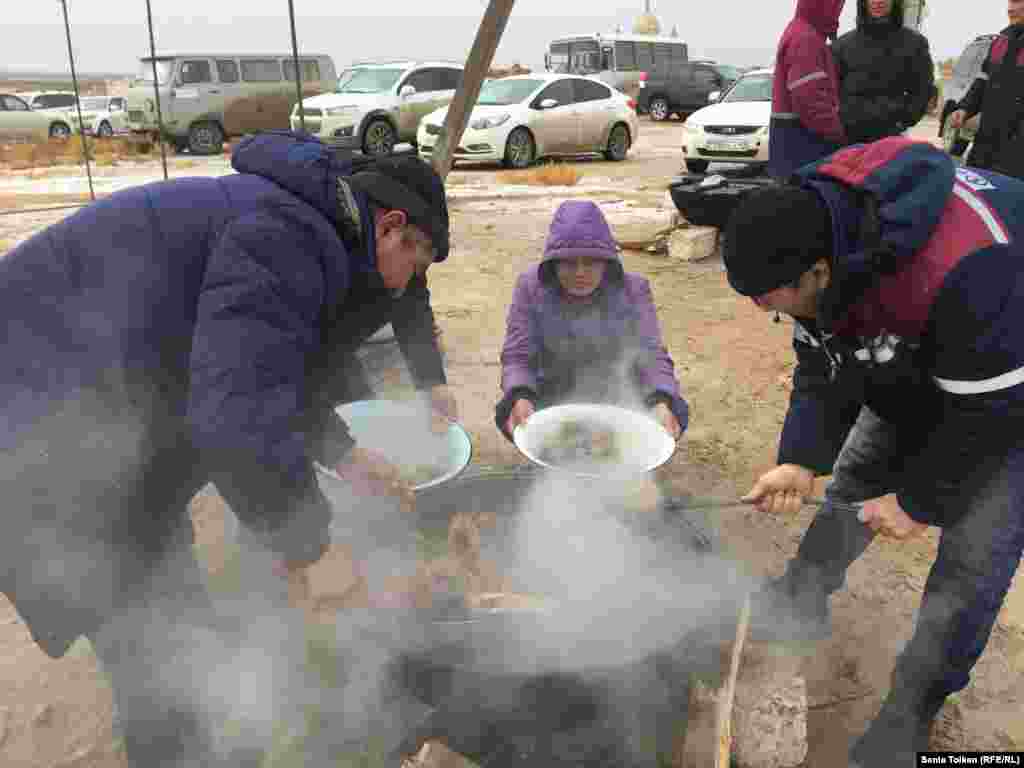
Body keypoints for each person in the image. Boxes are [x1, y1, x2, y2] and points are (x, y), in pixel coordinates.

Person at [0, 130, 450, 767]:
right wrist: (311, 549)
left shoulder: (302, 226)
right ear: (393, 227)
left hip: (102, 439)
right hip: (44, 440)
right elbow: (236, 412)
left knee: (176, 628)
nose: (407, 287)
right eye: (418, 262)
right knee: (154, 651)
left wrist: (343, 452)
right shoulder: (289, 237)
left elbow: (265, 370)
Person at [721, 136, 1024, 766]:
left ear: (819, 272)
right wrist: (802, 456)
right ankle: (800, 599)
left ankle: (911, 712)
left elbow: (990, 416)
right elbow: (823, 354)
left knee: (971, 562)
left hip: (1010, 386)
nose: (759, 308)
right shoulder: (812, 226)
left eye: (768, 295)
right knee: (856, 475)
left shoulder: (968, 264)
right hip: (939, 350)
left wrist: (919, 501)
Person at [496, 200, 688, 443]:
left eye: (590, 261)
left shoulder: (633, 290)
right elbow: (517, 355)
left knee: (670, 409)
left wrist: (660, 401)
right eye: (568, 262)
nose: (580, 272)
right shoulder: (530, 287)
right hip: (553, 393)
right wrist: (519, 394)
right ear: (552, 262)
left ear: (607, 261)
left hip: (616, 392)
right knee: (514, 409)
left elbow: (651, 353)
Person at [832, 0, 934, 144]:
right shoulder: (842, 45)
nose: (878, 1)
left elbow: (923, 89)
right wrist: (841, 121)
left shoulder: (915, 43)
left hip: (890, 138)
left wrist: (903, 121)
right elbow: (830, 91)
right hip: (846, 137)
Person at [769, 0, 849, 179]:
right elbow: (810, 101)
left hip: (790, 149)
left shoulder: (800, 31)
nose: (838, 13)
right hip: (803, 149)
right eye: (836, 6)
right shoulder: (806, 39)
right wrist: (839, 134)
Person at [948, 0, 1024, 178]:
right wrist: (965, 107)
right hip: (985, 147)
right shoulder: (1000, 41)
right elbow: (983, 80)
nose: (1010, 9)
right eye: (1010, 2)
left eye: (1019, 1)